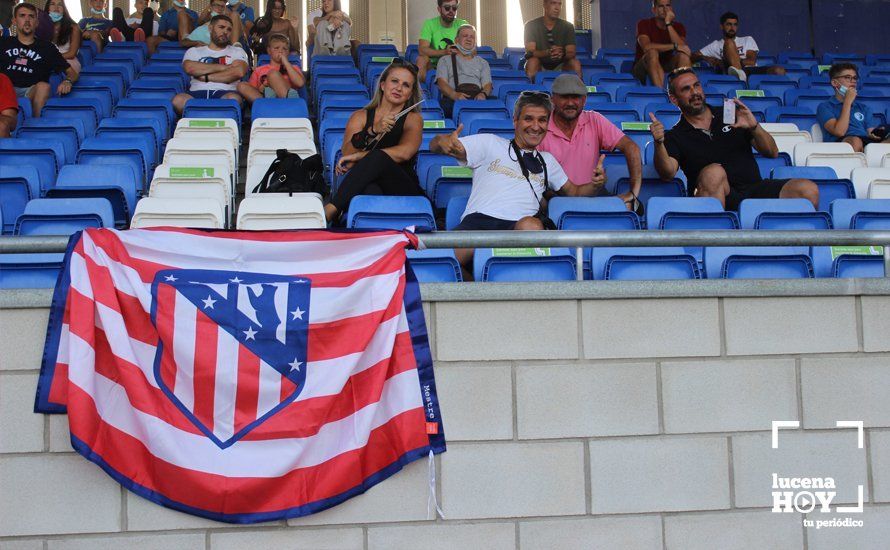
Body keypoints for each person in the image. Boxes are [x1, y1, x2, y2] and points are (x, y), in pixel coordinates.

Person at [431, 91, 600, 269]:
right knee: (441, 263)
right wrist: (443, 142)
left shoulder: (547, 160)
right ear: (515, 120)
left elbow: (575, 192)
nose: (536, 126)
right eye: (528, 119)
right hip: (478, 224)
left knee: (532, 225)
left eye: (542, 120)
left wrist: (595, 185)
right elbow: (437, 144)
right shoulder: (490, 143)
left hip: (519, 226)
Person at [650, 67, 818, 210]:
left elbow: (772, 152)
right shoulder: (675, 135)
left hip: (754, 190)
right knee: (714, 173)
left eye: (697, 85)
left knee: (807, 190)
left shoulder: (729, 114)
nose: (695, 93)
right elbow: (667, 173)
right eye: (686, 89)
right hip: (716, 196)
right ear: (674, 99)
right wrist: (659, 143)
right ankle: (715, 244)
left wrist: (754, 127)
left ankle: (794, 248)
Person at [324, 59, 427, 224]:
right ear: (383, 85)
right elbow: (348, 153)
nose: (399, 88)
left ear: (410, 93)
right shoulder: (361, 116)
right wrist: (373, 130)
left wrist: (360, 157)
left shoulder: (413, 119)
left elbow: (404, 153)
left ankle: (332, 209)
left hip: (402, 187)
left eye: (406, 85)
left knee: (378, 157)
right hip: (368, 185)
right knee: (370, 190)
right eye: (394, 81)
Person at [538, 74, 643, 211]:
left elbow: (631, 147)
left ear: (584, 100)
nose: (570, 103)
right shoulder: (541, 126)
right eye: (564, 97)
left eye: (575, 97)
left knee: (627, 206)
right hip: (556, 197)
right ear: (553, 100)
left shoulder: (594, 119)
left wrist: (634, 193)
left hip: (594, 194)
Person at [1, 2, 76, 116]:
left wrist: (68, 81)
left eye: (31, 16)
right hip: (4, 89)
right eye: (22, 16)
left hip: (30, 91)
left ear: (37, 23)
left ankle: (36, 126)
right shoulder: (3, 43)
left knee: (44, 87)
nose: (27, 20)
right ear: (14, 22)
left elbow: (72, 73)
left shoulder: (47, 48)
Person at [172, 14, 247, 114]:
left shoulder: (237, 51)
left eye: (229, 29)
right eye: (221, 27)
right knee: (178, 100)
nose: (225, 32)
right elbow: (190, 68)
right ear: (210, 28)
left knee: (233, 99)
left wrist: (205, 77)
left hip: (225, 92)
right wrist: (224, 67)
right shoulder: (194, 51)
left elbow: (238, 72)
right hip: (196, 93)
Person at [692, 11, 785, 82]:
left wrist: (730, 59)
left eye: (735, 24)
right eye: (729, 24)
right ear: (721, 26)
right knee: (729, 42)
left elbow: (751, 61)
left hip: (750, 71)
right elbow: (693, 57)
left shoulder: (747, 39)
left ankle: (741, 76)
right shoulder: (716, 45)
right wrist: (706, 58)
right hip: (729, 71)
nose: (732, 28)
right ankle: (741, 78)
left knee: (779, 70)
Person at [818, 63, 890, 152]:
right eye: (848, 77)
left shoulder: (863, 108)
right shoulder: (825, 107)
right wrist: (847, 102)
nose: (853, 81)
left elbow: (869, 131)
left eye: (855, 78)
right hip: (841, 143)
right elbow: (839, 132)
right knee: (855, 141)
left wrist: (876, 133)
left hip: (865, 141)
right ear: (834, 83)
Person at [436, 24, 491, 118]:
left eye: (472, 37)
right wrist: (454, 95)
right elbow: (441, 83)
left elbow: (487, 84)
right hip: (453, 101)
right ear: (456, 40)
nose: (469, 39)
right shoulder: (445, 60)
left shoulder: (483, 62)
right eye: (465, 36)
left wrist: (483, 94)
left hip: (477, 101)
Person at [633, 0, 691, 86]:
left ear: (671, 8)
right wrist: (674, 46)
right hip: (643, 66)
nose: (665, 9)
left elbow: (683, 49)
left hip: (666, 65)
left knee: (683, 57)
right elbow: (646, 47)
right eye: (661, 6)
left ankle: (684, 91)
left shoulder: (678, 27)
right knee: (652, 52)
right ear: (654, 10)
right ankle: (661, 96)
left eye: (668, 6)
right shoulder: (644, 23)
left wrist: (668, 24)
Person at [523, 0, 581, 80]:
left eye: (559, 4)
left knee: (575, 63)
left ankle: (578, 91)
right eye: (553, 3)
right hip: (540, 64)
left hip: (561, 64)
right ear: (545, 5)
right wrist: (548, 52)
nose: (557, 8)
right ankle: (532, 91)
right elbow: (530, 52)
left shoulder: (568, 26)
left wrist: (561, 53)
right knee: (532, 62)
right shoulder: (531, 25)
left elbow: (571, 52)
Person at [237, 33, 303, 101]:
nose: (281, 51)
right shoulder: (259, 70)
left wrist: (286, 63)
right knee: (241, 85)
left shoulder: (293, 68)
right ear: (269, 50)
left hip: (288, 101)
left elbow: (300, 83)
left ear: (288, 52)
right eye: (276, 48)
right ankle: (269, 104)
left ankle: (280, 105)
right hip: (265, 99)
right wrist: (262, 87)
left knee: (273, 74)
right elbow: (253, 90)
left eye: (285, 49)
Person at [416, 0, 468, 83]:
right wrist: (444, 52)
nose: (451, 11)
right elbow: (422, 50)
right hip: (433, 66)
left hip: (456, 65)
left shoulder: (463, 25)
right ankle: (423, 91)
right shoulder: (430, 24)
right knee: (421, 59)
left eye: (454, 8)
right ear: (439, 9)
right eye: (447, 8)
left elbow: (472, 50)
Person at [45, 0, 81, 74]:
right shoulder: (41, 27)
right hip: (47, 60)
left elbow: (72, 53)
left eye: (60, 5)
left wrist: (51, 58)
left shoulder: (74, 27)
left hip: (68, 61)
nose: (56, 7)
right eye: (52, 4)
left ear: (64, 9)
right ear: (47, 8)